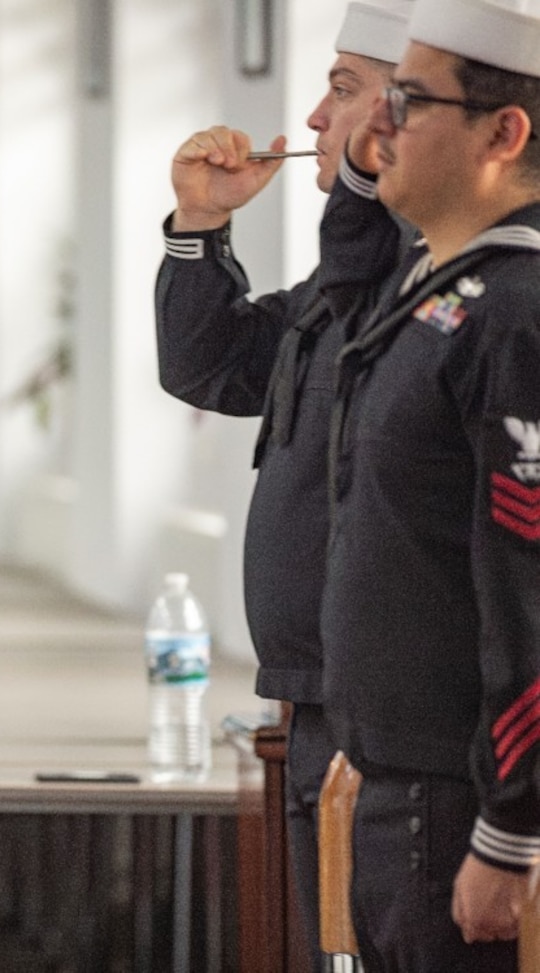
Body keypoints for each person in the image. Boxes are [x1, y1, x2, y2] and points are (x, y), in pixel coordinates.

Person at [152, 4, 411, 966]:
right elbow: (213, 365)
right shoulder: (350, 286)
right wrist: (200, 227)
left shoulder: (454, 291)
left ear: (411, 109)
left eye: (340, 90)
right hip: (312, 698)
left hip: (397, 715)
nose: (310, 119)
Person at [314, 0, 540, 965]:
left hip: (465, 807)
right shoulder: (440, 297)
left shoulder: (518, 315)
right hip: (395, 784)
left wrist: (513, 826)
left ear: (504, 132)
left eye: (408, 99)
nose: (377, 126)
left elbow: (530, 583)